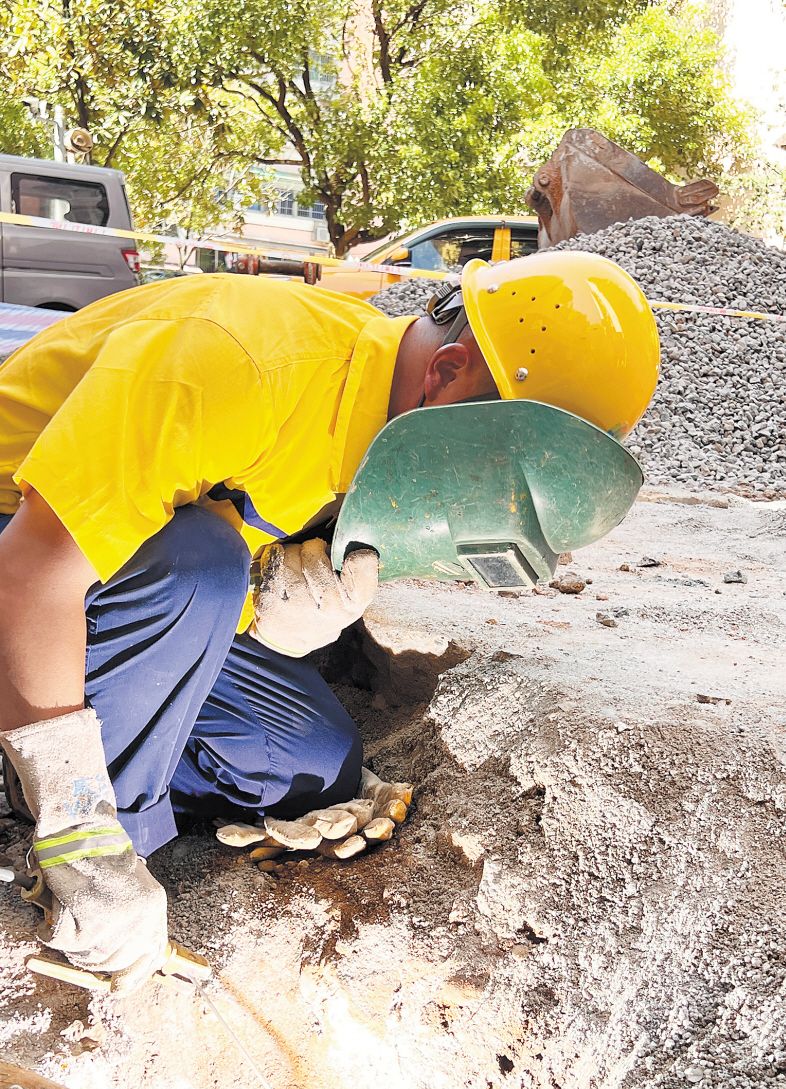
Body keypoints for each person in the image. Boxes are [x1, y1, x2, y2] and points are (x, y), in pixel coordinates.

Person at [0, 252, 659, 992]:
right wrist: (86, 840)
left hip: (113, 585)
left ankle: (45, 760)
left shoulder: (385, 414)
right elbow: (35, 572)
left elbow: (190, 585)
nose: (478, 492)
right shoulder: (240, 363)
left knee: (307, 758)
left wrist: (268, 610)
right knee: (199, 563)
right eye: (493, 465)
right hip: (23, 568)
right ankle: (74, 847)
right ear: (448, 371)